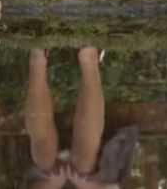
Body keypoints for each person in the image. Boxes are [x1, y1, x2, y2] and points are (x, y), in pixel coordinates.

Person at [24, 47, 138, 189]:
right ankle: (89, 57)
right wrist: (87, 185)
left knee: (44, 157)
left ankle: (38, 58)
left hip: (47, 176)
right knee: (84, 163)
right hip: (97, 167)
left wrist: (48, 184)